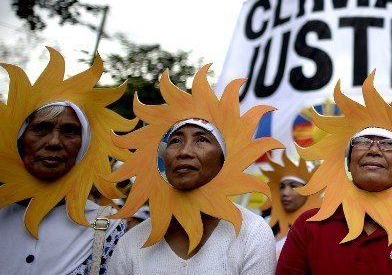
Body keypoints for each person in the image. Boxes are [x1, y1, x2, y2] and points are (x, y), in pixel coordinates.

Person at [276, 75, 392, 274]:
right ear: (348, 161)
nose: (374, 150)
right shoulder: (309, 227)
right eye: (363, 142)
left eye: (388, 144)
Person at [107, 66, 279, 275]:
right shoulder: (131, 244)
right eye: (175, 141)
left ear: (223, 159)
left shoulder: (252, 234)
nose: (185, 151)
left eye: (202, 140)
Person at [0, 50, 132, 275]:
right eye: (41, 129)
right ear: (20, 139)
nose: (54, 142)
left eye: (70, 131)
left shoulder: (106, 226)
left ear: (84, 145)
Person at [262, 151, 320, 254]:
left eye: (293, 186)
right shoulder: (264, 226)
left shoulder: (320, 229)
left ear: (310, 191)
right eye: (282, 187)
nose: (285, 193)